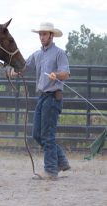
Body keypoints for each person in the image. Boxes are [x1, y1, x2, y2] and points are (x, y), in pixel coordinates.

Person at [11, 22, 71, 179]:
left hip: (53, 97)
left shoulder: (59, 53)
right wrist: (15, 71)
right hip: (42, 97)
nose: (42, 37)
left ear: (51, 35)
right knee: (37, 134)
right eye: (40, 34)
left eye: (44, 34)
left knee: (47, 134)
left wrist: (56, 75)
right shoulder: (37, 55)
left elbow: (66, 73)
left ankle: (51, 170)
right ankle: (61, 161)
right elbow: (24, 66)